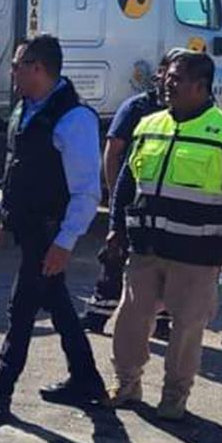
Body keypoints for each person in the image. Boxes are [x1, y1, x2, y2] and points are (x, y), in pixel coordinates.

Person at [0, 34, 106, 428]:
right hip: (27, 227)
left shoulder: (74, 118)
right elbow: (16, 167)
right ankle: (86, 378)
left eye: (17, 65)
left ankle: (0, 393)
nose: (11, 72)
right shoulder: (26, 108)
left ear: (37, 67)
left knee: (21, 310)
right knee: (60, 305)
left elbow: (86, 192)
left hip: (50, 234)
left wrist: (65, 243)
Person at [105, 51, 222, 421]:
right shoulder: (150, 124)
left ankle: (174, 397)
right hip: (146, 249)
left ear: (201, 86)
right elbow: (127, 184)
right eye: (167, 78)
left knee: (186, 330)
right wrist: (115, 228)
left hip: (197, 255)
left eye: (176, 79)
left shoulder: (221, 131)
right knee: (130, 321)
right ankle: (127, 383)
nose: (166, 85)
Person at [80, 49, 184, 336]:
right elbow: (113, 153)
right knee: (115, 257)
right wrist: (116, 198)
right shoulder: (137, 108)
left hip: (167, 209)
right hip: (134, 201)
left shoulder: (189, 113)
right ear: (159, 73)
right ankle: (98, 314)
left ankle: (161, 322)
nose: (171, 83)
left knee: (163, 264)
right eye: (169, 74)